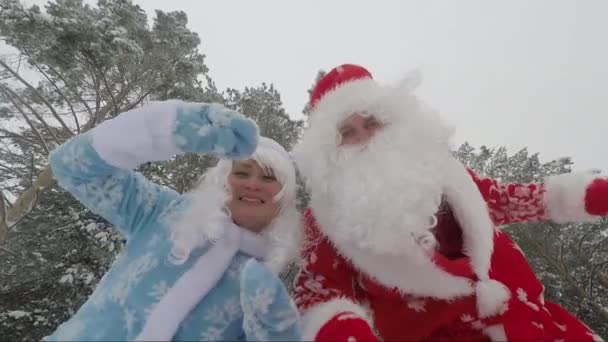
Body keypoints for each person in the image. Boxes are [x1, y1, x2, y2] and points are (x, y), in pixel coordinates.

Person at [291, 64, 606, 341]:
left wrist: (587, 196)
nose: (365, 137)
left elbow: (512, 200)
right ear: (330, 151)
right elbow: (316, 293)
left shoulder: (445, 172)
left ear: (393, 122)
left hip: (534, 326)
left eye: (371, 123)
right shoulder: (325, 221)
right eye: (347, 132)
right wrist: (343, 330)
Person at [43, 100, 303, 341]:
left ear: (285, 198)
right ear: (223, 180)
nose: (253, 184)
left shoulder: (266, 290)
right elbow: (73, 167)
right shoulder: (163, 211)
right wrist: (168, 127)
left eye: (269, 178)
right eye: (242, 172)